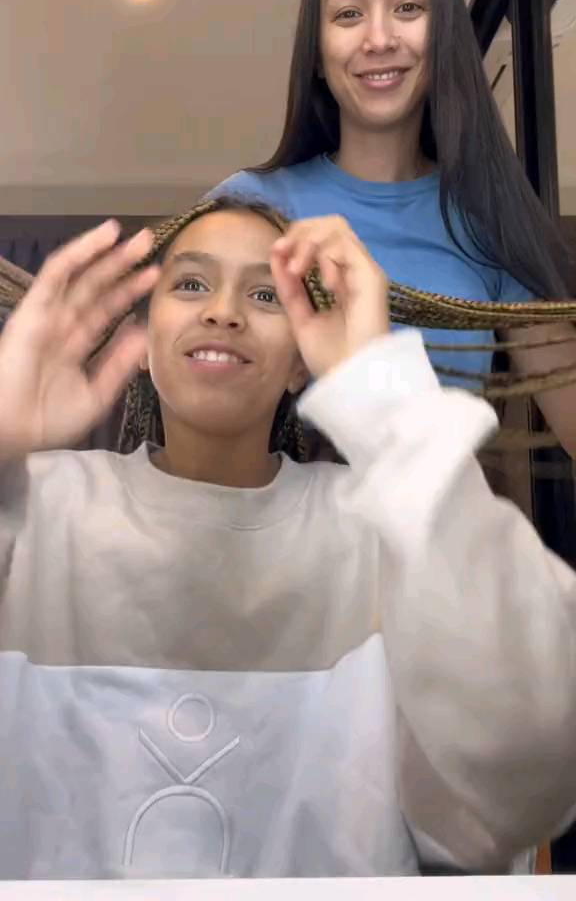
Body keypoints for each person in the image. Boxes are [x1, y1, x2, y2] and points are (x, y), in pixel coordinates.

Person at [1, 196, 575, 881]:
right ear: (146, 339)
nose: (223, 312)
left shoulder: (377, 527)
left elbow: (528, 773)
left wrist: (387, 401)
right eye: (191, 283)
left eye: (266, 294)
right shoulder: (36, 506)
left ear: (302, 361)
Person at [209, 0, 576, 455]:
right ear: (317, 51)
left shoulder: (487, 219)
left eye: (408, 7)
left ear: (444, 33)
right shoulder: (247, 205)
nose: (379, 39)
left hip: (436, 512)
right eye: (348, 14)